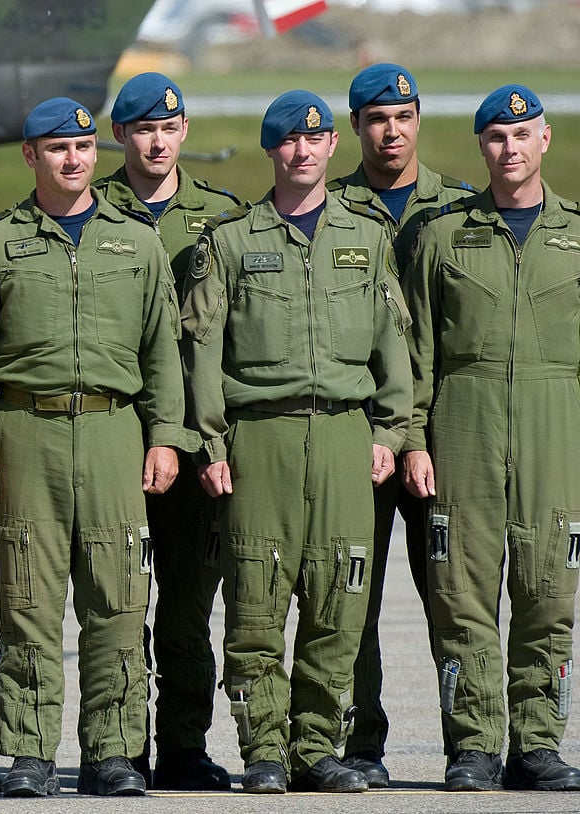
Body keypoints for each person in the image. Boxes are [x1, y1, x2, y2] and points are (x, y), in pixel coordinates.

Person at [0, 97, 186, 797]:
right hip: (26, 432)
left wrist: (165, 435)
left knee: (117, 599)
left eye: (82, 147)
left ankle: (112, 751)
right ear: (31, 157)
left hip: (115, 430)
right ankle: (29, 751)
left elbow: (162, 347)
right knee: (28, 599)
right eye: (55, 149)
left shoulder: (136, 242)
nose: (72, 159)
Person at [180, 90, 412, 794]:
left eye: (314, 140)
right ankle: (265, 752)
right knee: (256, 601)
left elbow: (392, 346)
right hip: (261, 438)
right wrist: (212, 448)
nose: (302, 151)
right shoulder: (230, 242)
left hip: (345, 436)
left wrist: (391, 430)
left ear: (331, 147)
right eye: (287, 141)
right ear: (271, 150)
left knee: (337, 601)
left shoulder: (367, 239)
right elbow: (203, 355)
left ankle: (317, 748)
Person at [402, 84, 580, 793]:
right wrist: (413, 438)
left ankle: (538, 745)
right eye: (496, 138)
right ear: (482, 147)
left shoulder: (577, 234)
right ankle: (473, 745)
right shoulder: (443, 236)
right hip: (463, 427)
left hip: (555, 427)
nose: (510, 148)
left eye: (523, 135)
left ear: (545, 141)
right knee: (461, 594)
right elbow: (415, 352)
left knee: (548, 594)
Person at [327, 62, 475, 787]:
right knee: (353, 596)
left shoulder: (457, 208)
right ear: (355, 126)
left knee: (454, 595)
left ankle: (468, 744)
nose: (393, 130)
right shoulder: (327, 207)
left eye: (405, 115)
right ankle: (361, 744)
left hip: (440, 438)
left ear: (420, 120)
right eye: (378, 118)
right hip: (355, 433)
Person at [94, 71, 240, 791]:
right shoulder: (88, 209)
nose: (157, 140)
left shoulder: (223, 217)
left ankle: (184, 744)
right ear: (120, 135)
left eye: (169, 127)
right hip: (118, 435)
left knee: (188, 604)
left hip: (195, 433)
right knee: (119, 602)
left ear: (184, 132)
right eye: (143, 128)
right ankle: (120, 746)